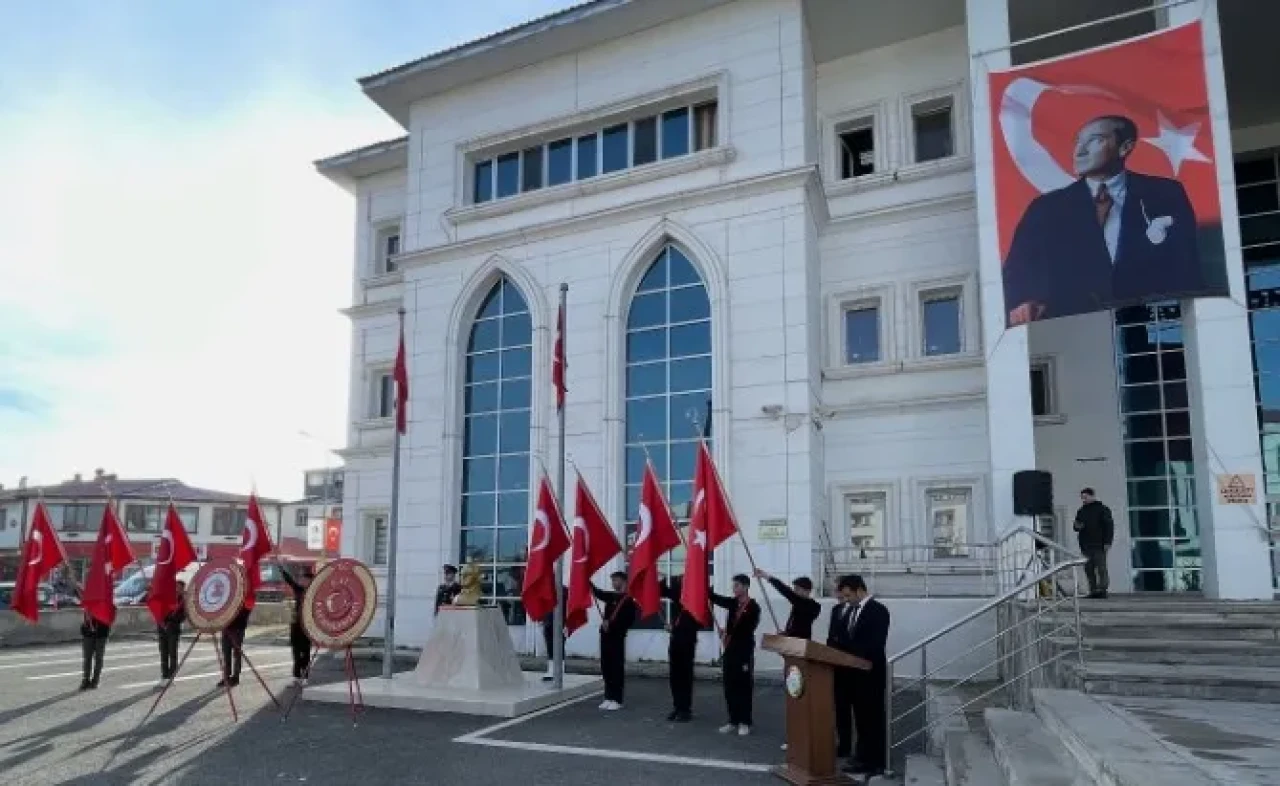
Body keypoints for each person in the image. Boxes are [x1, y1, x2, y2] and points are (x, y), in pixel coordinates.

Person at [1003, 114, 1211, 326]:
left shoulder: (1165, 195)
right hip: (1074, 332)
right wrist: (1024, 300)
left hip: (1153, 325)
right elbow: (1019, 268)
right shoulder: (1046, 209)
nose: (1080, 151)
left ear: (1125, 147)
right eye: (1078, 142)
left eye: (1095, 140)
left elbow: (1186, 266)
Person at [828, 574, 890, 777]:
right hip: (850, 676)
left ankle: (876, 761)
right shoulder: (848, 612)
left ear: (859, 590)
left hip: (870, 676)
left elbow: (874, 644)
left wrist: (850, 654)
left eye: (848, 595)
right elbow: (840, 640)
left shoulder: (878, 611)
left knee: (872, 719)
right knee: (861, 720)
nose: (846, 599)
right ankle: (862, 756)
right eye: (843, 596)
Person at [711, 574, 761, 737]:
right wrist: (701, 586)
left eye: (737, 585)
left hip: (744, 652)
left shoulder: (753, 607)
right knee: (729, 686)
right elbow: (716, 598)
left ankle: (745, 722)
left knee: (744, 687)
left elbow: (747, 628)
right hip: (730, 651)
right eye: (734, 586)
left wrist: (728, 632)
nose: (734, 588)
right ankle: (733, 720)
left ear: (746, 587)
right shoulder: (732, 603)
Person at [590, 572, 637, 711]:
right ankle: (608, 697)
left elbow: (628, 621)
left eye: (615, 580)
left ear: (623, 581)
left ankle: (617, 699)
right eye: (612, 580)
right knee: (606, 668)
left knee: (616, 669)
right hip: (605, 637)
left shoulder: (628, 600)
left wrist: (611, 625)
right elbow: (598, 593)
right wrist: (585, 578)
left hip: (617, 638)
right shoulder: (611, 596)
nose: (613, 583)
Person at [660, 576, 699, 722]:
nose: (681, 583)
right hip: (675, 641)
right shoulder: (678, 596)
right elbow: (661, 591)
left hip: (687, 642)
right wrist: (659, 574)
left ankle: (685, 709)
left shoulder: (696, 599)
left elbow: (699, 623)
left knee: (685, 676)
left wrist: (675, 628)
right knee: (674, 677)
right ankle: (677, 707)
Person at [753, 568, 820, 639]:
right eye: (794, 589)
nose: (795, 591)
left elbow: (785, 590)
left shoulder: (812, 606)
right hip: (793, 641)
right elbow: (796, 624)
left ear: (807, 591)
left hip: (801, 643)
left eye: (797, 589)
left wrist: (766, 576)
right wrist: (786, 633)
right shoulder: (798, 604)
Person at [1073, 488, 1115, 599]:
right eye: (1082, 497)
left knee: (1101, 568)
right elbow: (1076, 526)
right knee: (1089, 569)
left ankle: (1102, 589)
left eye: (1085, 497)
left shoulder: (1103, 509)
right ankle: (1093, 590)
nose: (1084, 499)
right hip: (1086, 545)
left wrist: (1107, 542)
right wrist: (1077, 526)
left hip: (1099, 544)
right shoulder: (1081, 511)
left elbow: (1109, 526)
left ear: (1092, 496)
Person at [281, 564, 315, 684]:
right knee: (295, 652)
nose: (303, 580)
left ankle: (305, 676)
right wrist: (281, 567)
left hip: (307, 627)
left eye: (306, 579)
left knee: (305, 653)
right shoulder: (298, 589)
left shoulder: (313, 594)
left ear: (311, 580)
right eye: (302, 578)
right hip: (295, 626)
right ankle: (296, 676)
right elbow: (289, 580)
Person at [157, 581, 186, 683]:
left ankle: (171, 676)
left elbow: (182, 616)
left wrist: (171, 620)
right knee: (163, 653)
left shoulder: (183, 601)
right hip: (162, 628)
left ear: (182, 589)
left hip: (173, 630)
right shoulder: (168, 598)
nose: (176, 589)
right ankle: (164, 675)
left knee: (172, 654)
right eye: (176, 587)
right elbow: (160, 609)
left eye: (179, 587)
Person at [218, 606, 251, 688]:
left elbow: (247, 609)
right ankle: (226, 677)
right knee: (226, 653)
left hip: (238, 628)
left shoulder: (245, 596)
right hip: (226, 627)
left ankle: (236, 677)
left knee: (237, 653)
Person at [541, 584, 567, 682]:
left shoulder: (564, 591)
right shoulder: (547, 589)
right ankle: (551, 670)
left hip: (560, 623)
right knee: (550, 647)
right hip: (548, 622)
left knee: (560, 646)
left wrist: (567, 623)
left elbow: (568, 607)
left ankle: (561, 670)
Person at [80, 612, 110, 690]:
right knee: (87, 658)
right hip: (88, 634)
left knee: (98, 658)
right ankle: (85, 679)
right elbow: (84, 619)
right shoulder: (88, 606)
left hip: (101, 634)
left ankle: (95, 680)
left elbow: (109, 618)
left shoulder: (105, 607)